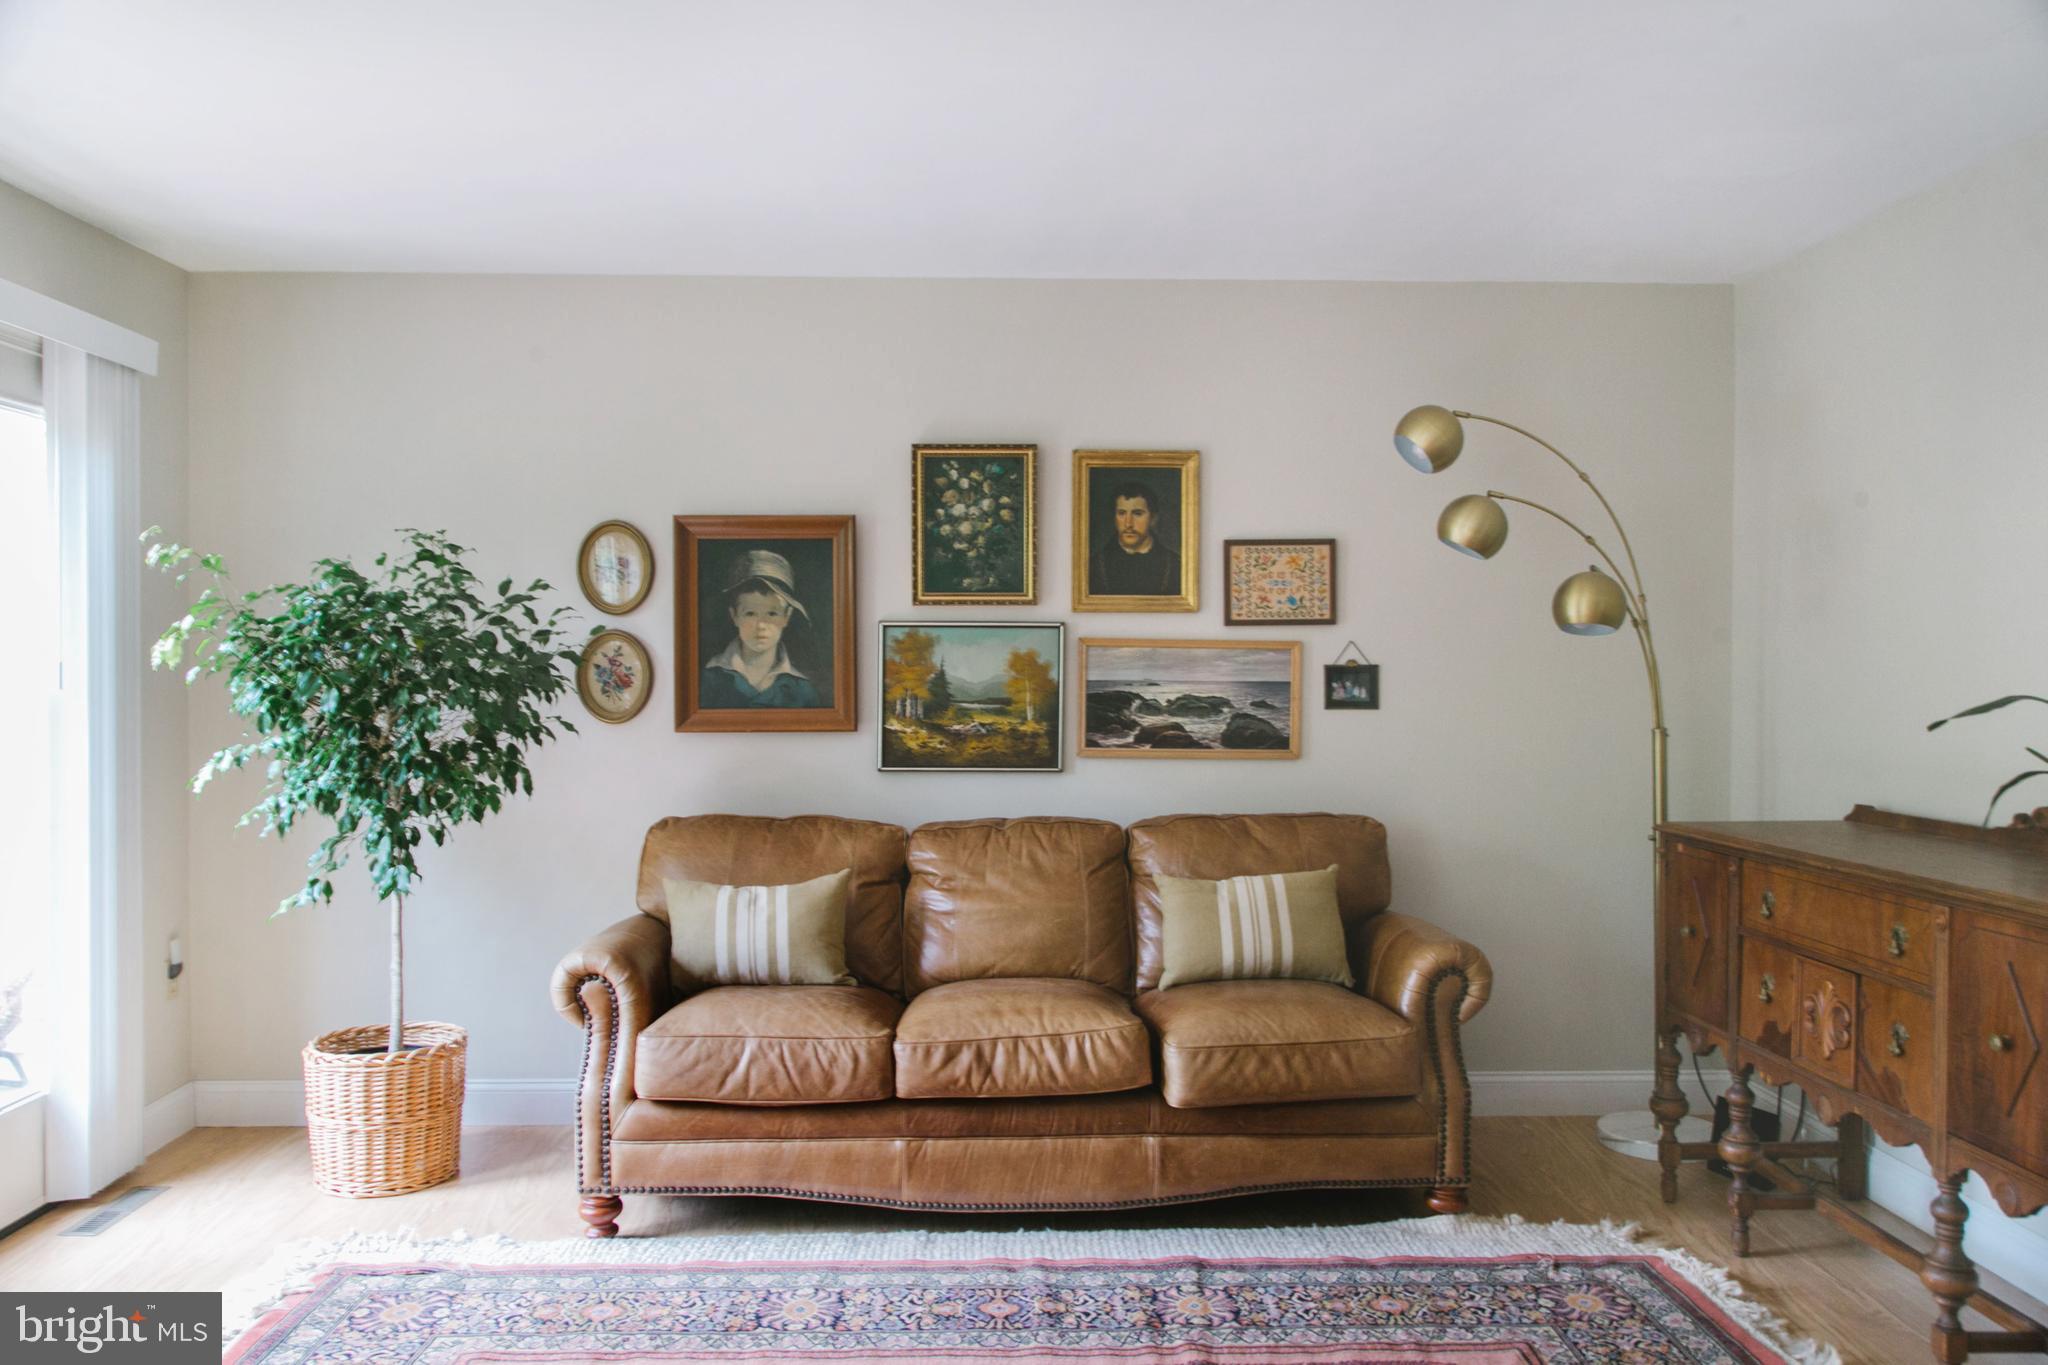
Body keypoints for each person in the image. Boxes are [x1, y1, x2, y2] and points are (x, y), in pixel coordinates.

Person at [700, 548, 824, 708]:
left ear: (787, 617)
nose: (761, 625)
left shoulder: (803, 691)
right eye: (750, 613)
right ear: (734, 616)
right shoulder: (707, 681)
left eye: (772, 613)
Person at [1087, 479, 1182, 596]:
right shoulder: (1093, 566)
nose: (1128, 524)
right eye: (1121, 513)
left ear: (1153, 518)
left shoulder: (1176, 565)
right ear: (1114, 517)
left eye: (1137, 514)